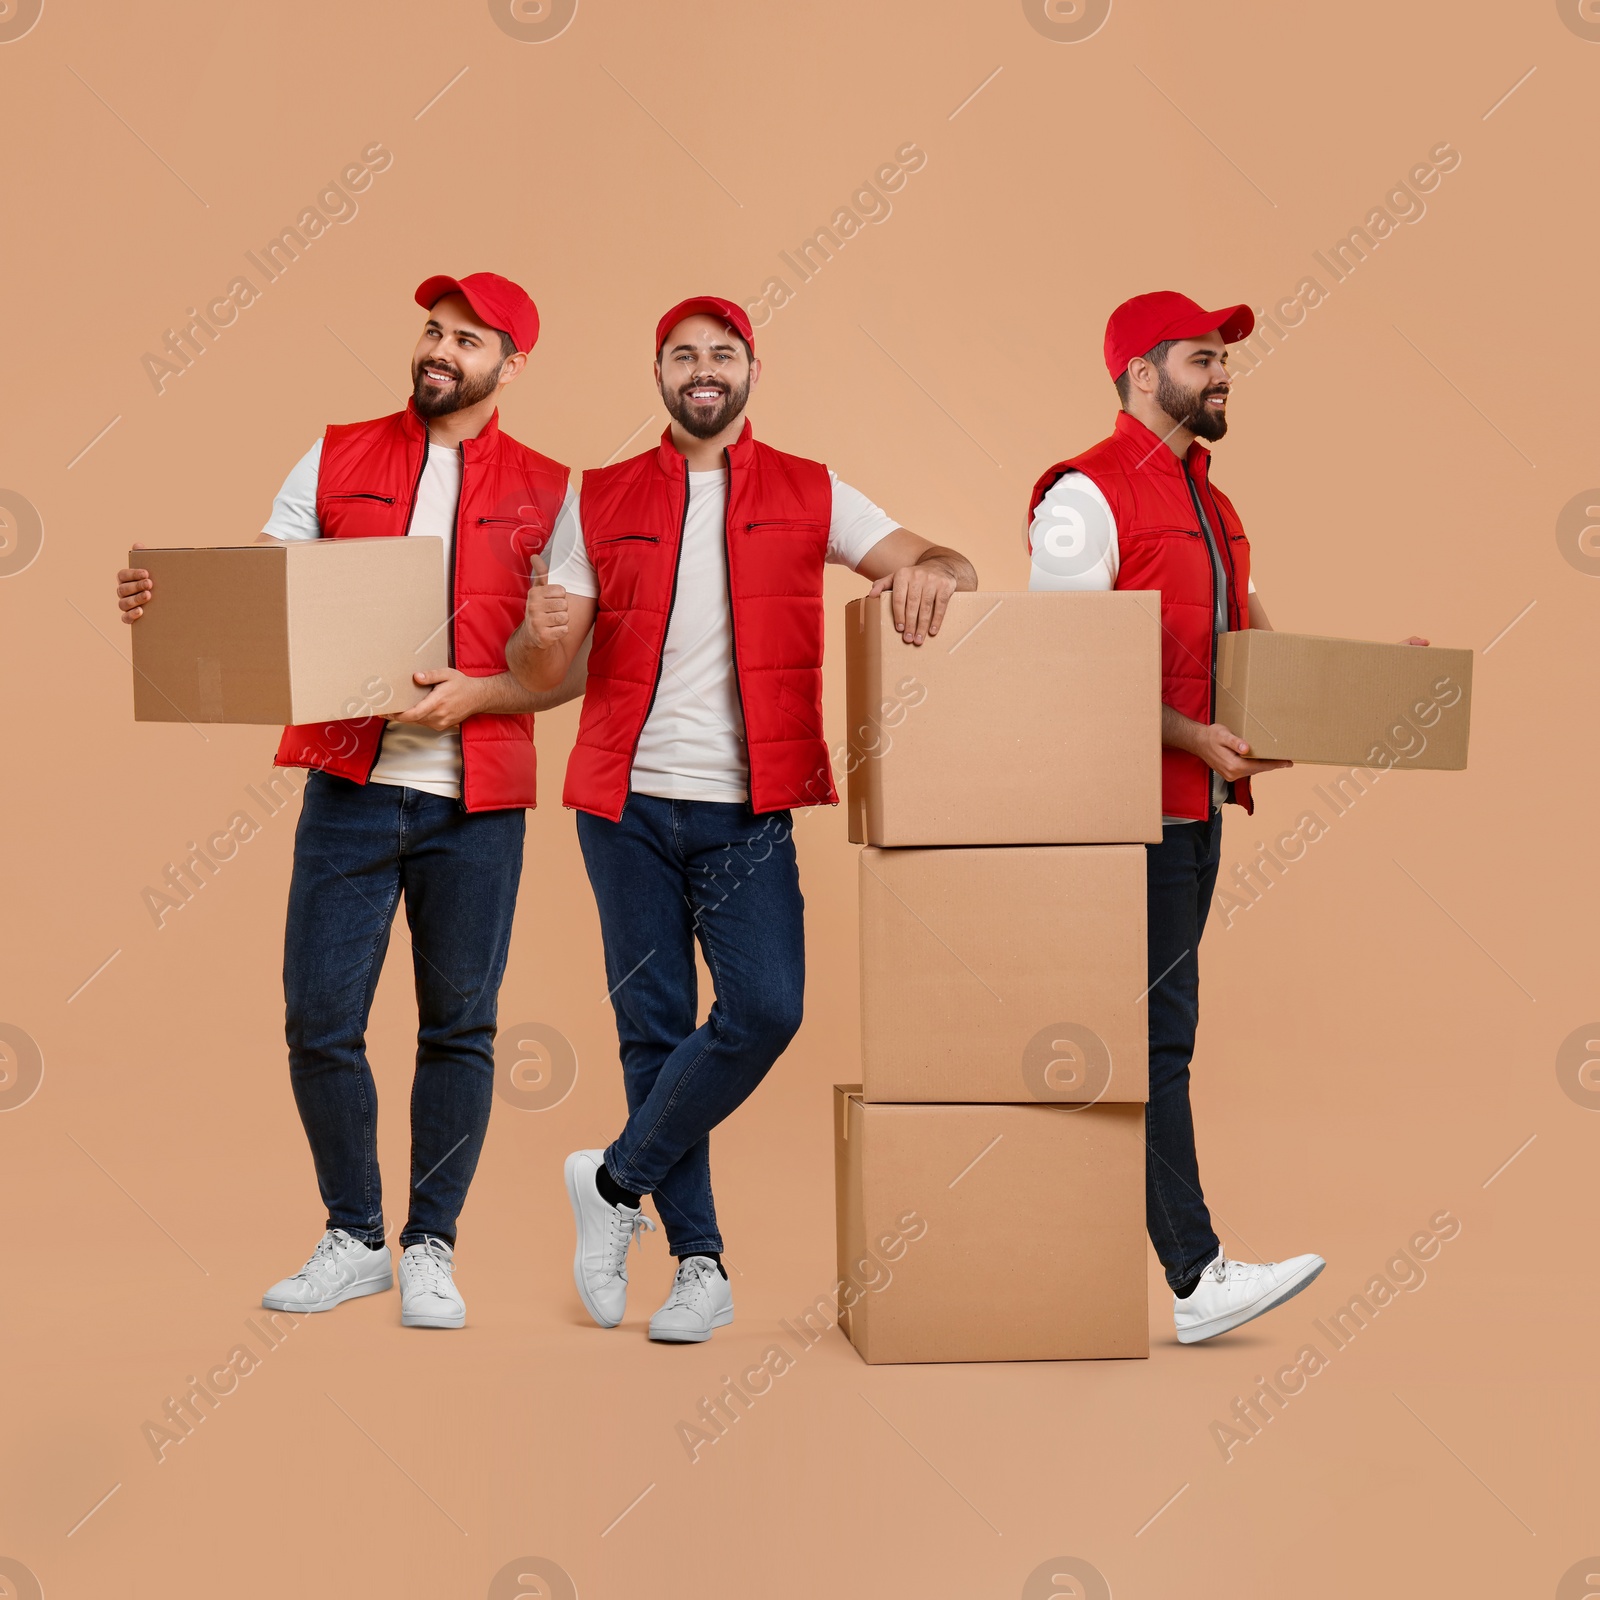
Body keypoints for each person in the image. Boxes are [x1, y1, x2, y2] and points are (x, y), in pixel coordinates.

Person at [117, 273, 583, 1330]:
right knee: (319, 1020)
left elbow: (571, 668)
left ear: (509, 365)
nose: (439, 350)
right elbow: (257, 595)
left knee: (459, 1028)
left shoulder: (556, 492)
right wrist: (164, 601)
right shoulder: (333, 453)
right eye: (431, 330)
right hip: (350, 787)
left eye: (467, 340)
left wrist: (487, 691)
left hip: (476, 800)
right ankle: (355, 1236)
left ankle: (430, 1246)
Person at [509, 295, 977, 1343]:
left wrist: (941, 572)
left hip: (748, 809)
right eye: (683, 354)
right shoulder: (603, 495)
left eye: (722, 353)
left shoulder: (813, 493)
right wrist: (541, 632)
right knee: (654, 1029)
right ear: (660, 373)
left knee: (765, 1008)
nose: (703, 369)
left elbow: (938, 558)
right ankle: (699, 1266)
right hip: (622, 804)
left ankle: (613, 1182)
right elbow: (549, 674)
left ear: (751, 370)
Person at [1026, 290, 1431, 1344]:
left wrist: (1379, 690)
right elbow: (1062, 672)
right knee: (1152, 1040)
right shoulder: (1084, 496)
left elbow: (1259, 658)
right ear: (1137, 371)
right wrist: (1190, 736)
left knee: (1157, 1038)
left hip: (1194, 810)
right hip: (1119, 815)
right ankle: (1196, 1276)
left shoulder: (1216, 504)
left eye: (1223, 359)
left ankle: (1160, 1270)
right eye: (1200, 357)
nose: (1221, 373)